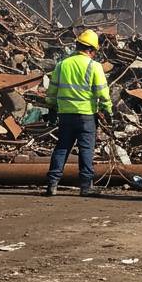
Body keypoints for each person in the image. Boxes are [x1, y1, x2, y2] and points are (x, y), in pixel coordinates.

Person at [44, 30, 113, 196]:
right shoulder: (94, 66)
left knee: (62, 148)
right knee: (86, 150)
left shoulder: (62, 65)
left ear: (77, 46)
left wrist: (52, 107)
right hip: (86, 116)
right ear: (91, 50)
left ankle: (52, 184)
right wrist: (107, 110)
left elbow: (52, 91)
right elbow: (102, 93)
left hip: (65, 115)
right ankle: (85, 186)